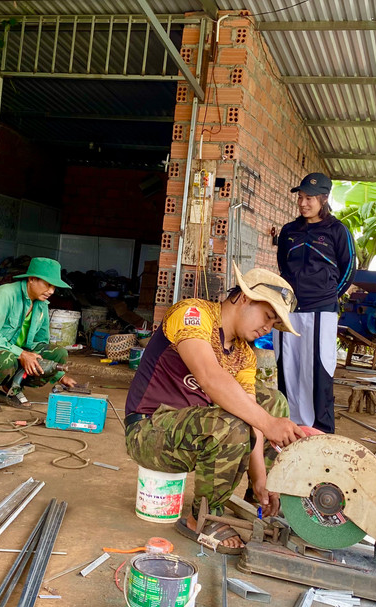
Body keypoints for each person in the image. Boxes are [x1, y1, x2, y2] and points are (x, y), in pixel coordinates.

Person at [124, 263, 307, 553]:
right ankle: (203, 517)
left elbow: (255, 419)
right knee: (234, 423)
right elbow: (210, 377)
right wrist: (269, 424)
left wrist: (261, 479)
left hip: (195, 431)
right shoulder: (193, 314)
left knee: (272, 402)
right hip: (149, 431)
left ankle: (255, 501)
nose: (267, 328)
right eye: (267, 316)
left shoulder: (245, 355)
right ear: (245, 297)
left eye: (273, 324)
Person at [275, 172, 357, 434]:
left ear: (323, 198)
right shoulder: (289, 231)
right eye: (300, 197)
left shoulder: (337, 231)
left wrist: (329, 295)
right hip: (289, 311)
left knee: (318, 372)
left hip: (321, 312)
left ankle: (321, 433)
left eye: (309, 198)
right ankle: (291, 429)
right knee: (288, 367)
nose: (303, 203)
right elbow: (283, 266)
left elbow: (349, 269)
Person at [0, 257, 78, 411]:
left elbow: (41, 344)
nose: (51, 291)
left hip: (14, 357)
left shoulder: (41, 305)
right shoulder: (5, 294)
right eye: (48, 285)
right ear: (32, 279)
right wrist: (22, 354)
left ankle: (12, 387)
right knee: (6, 359)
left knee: (58, 353)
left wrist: (58, 376)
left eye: (54, 287)